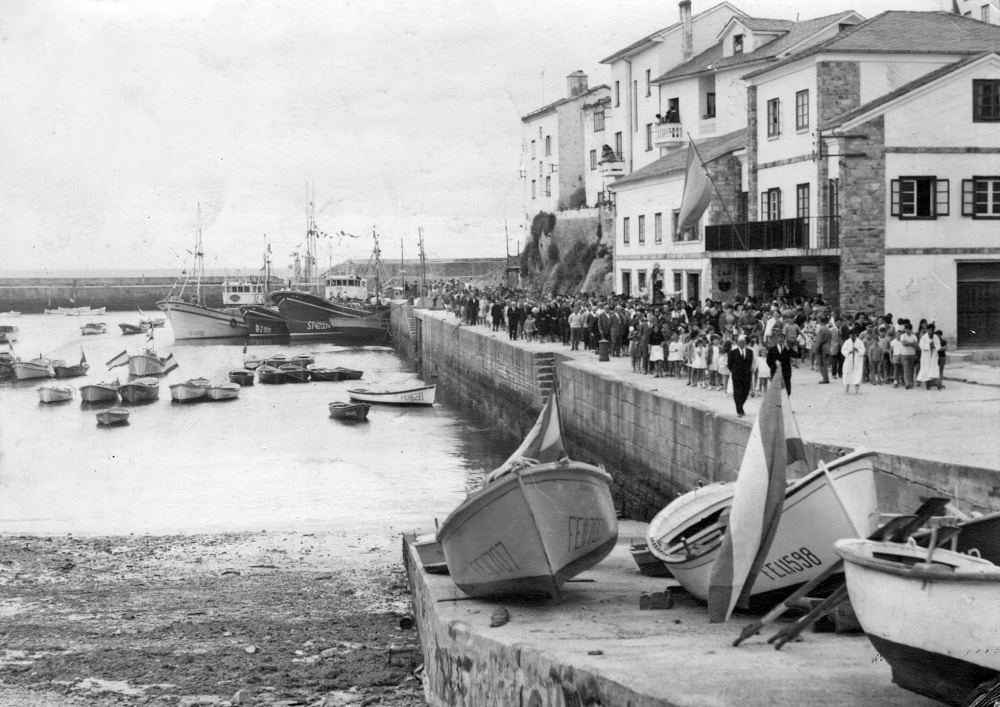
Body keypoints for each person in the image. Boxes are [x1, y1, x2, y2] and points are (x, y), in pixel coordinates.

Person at [728, 334, 754, 418]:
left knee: (745, 392)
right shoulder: (733, 352)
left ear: (745, 343)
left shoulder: (750, 352)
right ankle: (739, 409)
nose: (741, 344)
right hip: (737, 375)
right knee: (738, 392)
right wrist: (735, 371)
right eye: (740, 342)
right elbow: (730, 364)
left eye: (743, 342)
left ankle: (740, 405)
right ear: (737, 343)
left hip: (747, 375)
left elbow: (750, 363)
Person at [841, 327, 866, 394]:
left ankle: (857, 389)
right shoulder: (847, 342)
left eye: (854, 334)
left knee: (857, 373)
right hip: (849, 360)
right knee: (847, 372)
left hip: (857, 360)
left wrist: (857, 350)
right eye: (851, 334)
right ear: (849, 335)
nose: (852, 336)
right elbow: (843, 350)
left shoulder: (860, 342)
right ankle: (846, 388)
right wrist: (849, 352)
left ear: (856, 335)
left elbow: (863, 350)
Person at [917, 325, 940, 390]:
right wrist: (929, 346)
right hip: (926, 356)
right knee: (926, 370)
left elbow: (938, 345)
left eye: (932, 330)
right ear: (927, 330)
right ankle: (927, 385)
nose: (931, 331)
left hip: (933, 356)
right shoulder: (924, 337)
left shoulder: (935, 337)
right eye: (929, 330)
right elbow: (921, 345)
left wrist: (934, 346)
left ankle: (937, 383)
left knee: (934, 369)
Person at [899, 323, 919, 389]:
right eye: (906, 329)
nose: (908, 330)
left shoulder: (914, 336)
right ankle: (907, 383)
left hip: (912, 354)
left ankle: (911, 381)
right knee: (906, 368)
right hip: (904, 354)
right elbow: (903, 343)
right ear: (905, 329)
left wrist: (908, 343)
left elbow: (916, 344)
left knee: (911, 368)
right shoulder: (902, 335)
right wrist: (911, 343)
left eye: (909, 329)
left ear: (911, 330)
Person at [813, 315, 832, 383]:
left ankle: (825, 378)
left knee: (821, 363)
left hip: (821, 347)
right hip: (826, 346)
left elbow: (819, 340)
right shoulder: (827, 328)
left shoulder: (821, 329)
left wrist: (815, 349)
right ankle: (826, 377)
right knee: (824, 362)